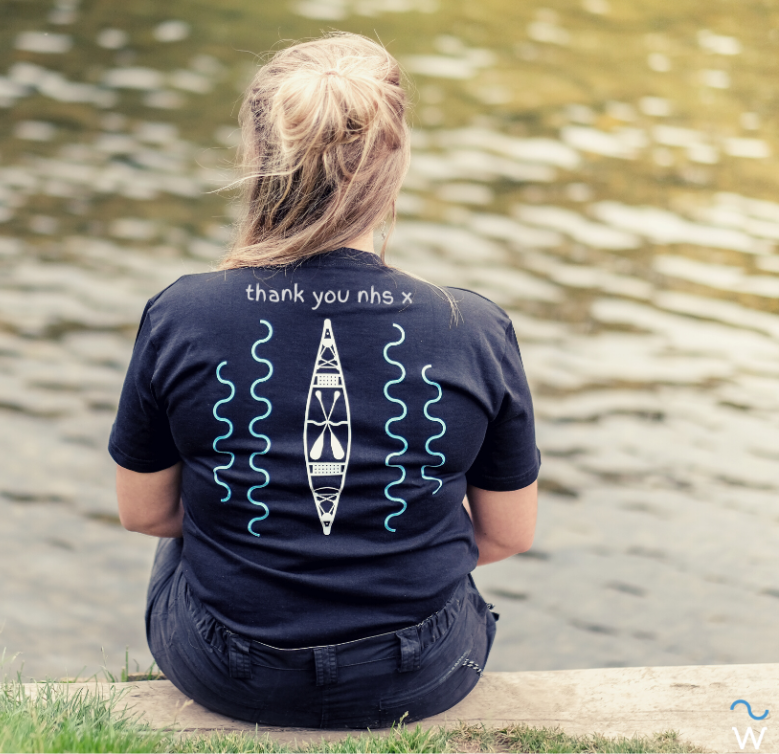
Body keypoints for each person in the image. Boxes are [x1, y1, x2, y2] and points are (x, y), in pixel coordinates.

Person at [109, 32, 539, 729]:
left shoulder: (182, 314)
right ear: (394, 161)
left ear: (257, 155)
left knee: (193, 489)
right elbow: (509, 533)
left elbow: (145, 512)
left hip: (228, 671)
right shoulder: (473, 325)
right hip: (421, 672)